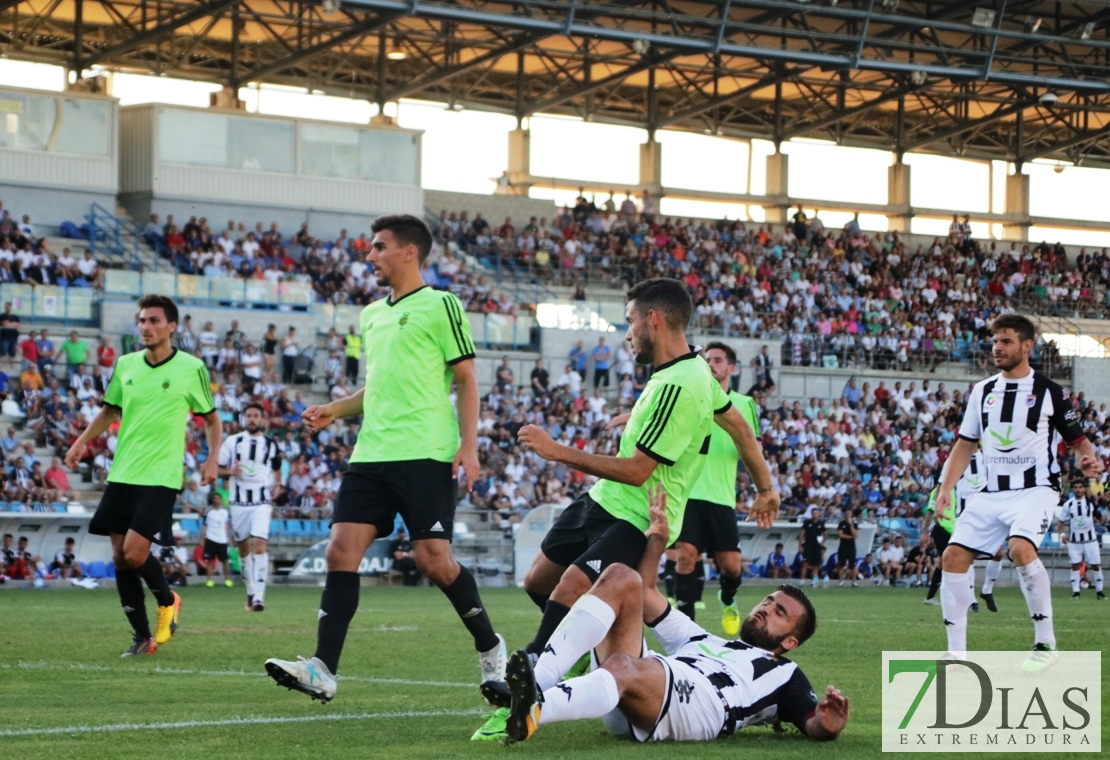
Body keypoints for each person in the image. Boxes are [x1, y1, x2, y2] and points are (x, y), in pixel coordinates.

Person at [476, 278, 779, 739]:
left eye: (632, 320)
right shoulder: (682, 372)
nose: (628, 332)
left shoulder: (680, 383)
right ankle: (576, 645)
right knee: (538, 580)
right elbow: (736, 423)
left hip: (638, 513)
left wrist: (558, 451)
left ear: (654, 319)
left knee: (571, 587)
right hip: (602, 500)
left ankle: (530, 685)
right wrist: (765, 487)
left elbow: (639, 470)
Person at [265, 214, 506, 703]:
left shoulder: (442, 304)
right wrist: (335, 409)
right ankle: (323, 669)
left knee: (434, 563)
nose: (369, 256)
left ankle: (490, 647)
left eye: (378, 247)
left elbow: (465, 379)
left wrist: (469, 445)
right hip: (372, 452)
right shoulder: (372, 315)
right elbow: (377, 387)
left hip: (426, 453)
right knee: (340, 551)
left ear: (408, 252)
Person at [493, 487, 848, 745]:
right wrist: (658, 539)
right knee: (621, 577)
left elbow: (813, 723)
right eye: (768, 601)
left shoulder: (784, 674)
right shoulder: (702, 639)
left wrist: (827, 724)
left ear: (789, 641)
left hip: (705, 705)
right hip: (649, 686)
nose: (766, 608)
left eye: (779, 612)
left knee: (621, 665)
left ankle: (535, 710)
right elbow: (645, 593)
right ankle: (539, 680)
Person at [936, 314, 1103, 671]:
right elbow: (964, 446)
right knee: (952, 558)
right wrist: (945, 489)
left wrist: (1089, 461)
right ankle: (956, 654)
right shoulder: (982, 391)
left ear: (1027, 346)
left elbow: (1079, 442)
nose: (998, 347)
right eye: (995, 340)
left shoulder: (1050, 392)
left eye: (1007, 340)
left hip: (1035, 489)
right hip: (989, 492)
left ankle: (1045, 643)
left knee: (1020, 548)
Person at [65, 294, 220, 657]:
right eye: (142, 321)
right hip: (123, 471)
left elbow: (211, 420)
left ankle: (168, 600)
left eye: (153, 321)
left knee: (135, 554)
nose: (146, 327)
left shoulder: (191, 367)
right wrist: (80, 443)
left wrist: (213, 459)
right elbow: (109, 411)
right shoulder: (126, 364)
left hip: (161, 475)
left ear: (171, 326)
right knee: (119, 557)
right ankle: (141, 638)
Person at [673, 341, 760, 634]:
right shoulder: (692, 397)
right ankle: (686, 633)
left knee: (731, 568)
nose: (711, 364)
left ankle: (727, 597)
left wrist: (765, 489)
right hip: (689, 493)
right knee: (685, 555)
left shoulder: (745, 404)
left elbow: (752, 448)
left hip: (722, 497)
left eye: (718, 360)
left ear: (731, 368)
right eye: (707, 359)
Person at [217, 403, 281, 611]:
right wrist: (229, 472)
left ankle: (259, 598)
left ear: (262, 420)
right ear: (244, 418)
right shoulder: (233, 442)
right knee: (243, 549)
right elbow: (216, 468)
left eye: (256, 415)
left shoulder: (270, 445)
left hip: (262, 501)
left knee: (260, 545)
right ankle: (250, 591)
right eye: (249, 415)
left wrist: (277, 485)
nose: (252, 419)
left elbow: (277, 467)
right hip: (238, 503)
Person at [1059, 484, 1105, 600]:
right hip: (1075, 542)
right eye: (1076, 487)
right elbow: (1060, 522)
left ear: (1084, 489)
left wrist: (1102, 520)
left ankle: (1099, 591)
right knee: (1075, 566)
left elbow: (1100, 518)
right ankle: (1076, 592)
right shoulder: (1068, 504)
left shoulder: (1090, 503)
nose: (1078, 489)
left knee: (1095, 565)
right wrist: (1063, 535)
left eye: (1080, 487)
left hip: (1091, 540)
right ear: (1073, 489)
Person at [201, 493, 233, 588]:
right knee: (209, 561)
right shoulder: (208, 511)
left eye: (218, 498)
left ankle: (227, 580)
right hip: (211, 538)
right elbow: (204, 525)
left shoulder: (225, 512)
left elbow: (227, 525)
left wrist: (228, 537)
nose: (216, 500)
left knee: (225, 561)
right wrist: (203, 538)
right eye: (214, 498)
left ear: (221, 500)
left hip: (222, 539)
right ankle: (209, 581)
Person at [798, 507, 825, 586]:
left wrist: (823, 541)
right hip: (808, 546)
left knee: (816, 564)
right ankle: (802, 580)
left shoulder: (821, 523)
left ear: (818, 514)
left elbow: (825, 533)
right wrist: (800, 545)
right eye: (813, 513)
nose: (815, 515)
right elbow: (802, 534)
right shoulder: (807, 523)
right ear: (811, 514)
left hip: (817, 547)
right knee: (805, 563)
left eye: (816, 513)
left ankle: (813, 580)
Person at [836, 508, 859, 587]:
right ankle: (841, 582)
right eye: (846, 513)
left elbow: (855, 534)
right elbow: (841, 535)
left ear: (851, 514)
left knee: (853, 565)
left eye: (849, 513)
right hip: (843, 546)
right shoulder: (841, 523)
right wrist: (851, 536)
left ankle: (854, 582)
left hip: (851, 546)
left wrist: (850, 524)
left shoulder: (854, 523)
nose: (847, 515)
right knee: (841, 564)